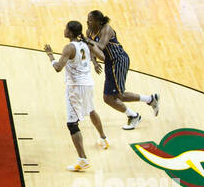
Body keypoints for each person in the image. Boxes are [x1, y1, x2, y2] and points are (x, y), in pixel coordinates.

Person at [45, 21, 110, 171]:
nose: (64, 30)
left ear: (70, 32)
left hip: (75, 87)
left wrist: (50, 56)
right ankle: (103, 138)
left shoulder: (69, 47)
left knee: (72, 124)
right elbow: (98, 56)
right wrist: (94, 61)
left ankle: (82, 160)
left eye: (66, 28)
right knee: (91, 110)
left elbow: (58, 68)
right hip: (88, 83)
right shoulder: (85, 44)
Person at [83, 10, 159, 130]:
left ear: (98, 21)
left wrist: (86, 40)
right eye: (87, 19)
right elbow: (90, 48)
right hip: (109, 63)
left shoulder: (106, 29)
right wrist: (94, 62)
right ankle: (145, 103)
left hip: (118, 61)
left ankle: (139, 111)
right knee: (108, 98)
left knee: (118, 95)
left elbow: (101, 46)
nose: (87, 21)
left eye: (90, 20)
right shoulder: (89, 31)